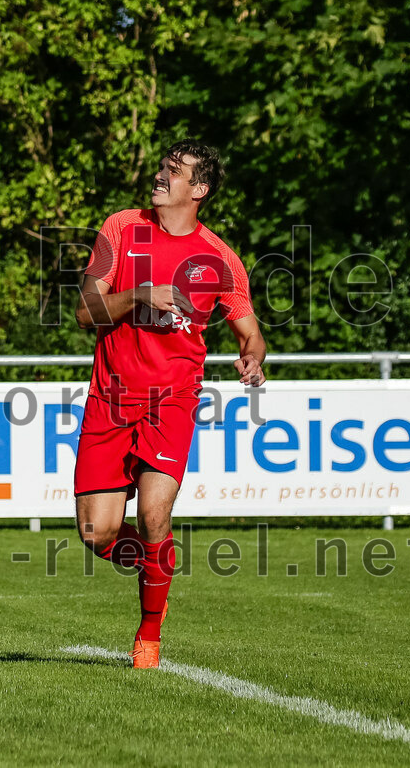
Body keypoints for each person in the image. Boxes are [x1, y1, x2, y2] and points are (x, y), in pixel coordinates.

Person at [74, 139, 265, 669]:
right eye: (161, 167)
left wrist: (252, 357)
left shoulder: (222, 260)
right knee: (97, 533)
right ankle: (156, 564)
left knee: (155, 513)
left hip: (172, 400)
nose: (160, 176)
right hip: (111, 397)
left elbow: (251, 332)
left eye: (173, 171)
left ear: (199, 190)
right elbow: (86, 312)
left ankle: (149, 636)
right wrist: (140, 294)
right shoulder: (120, 227)